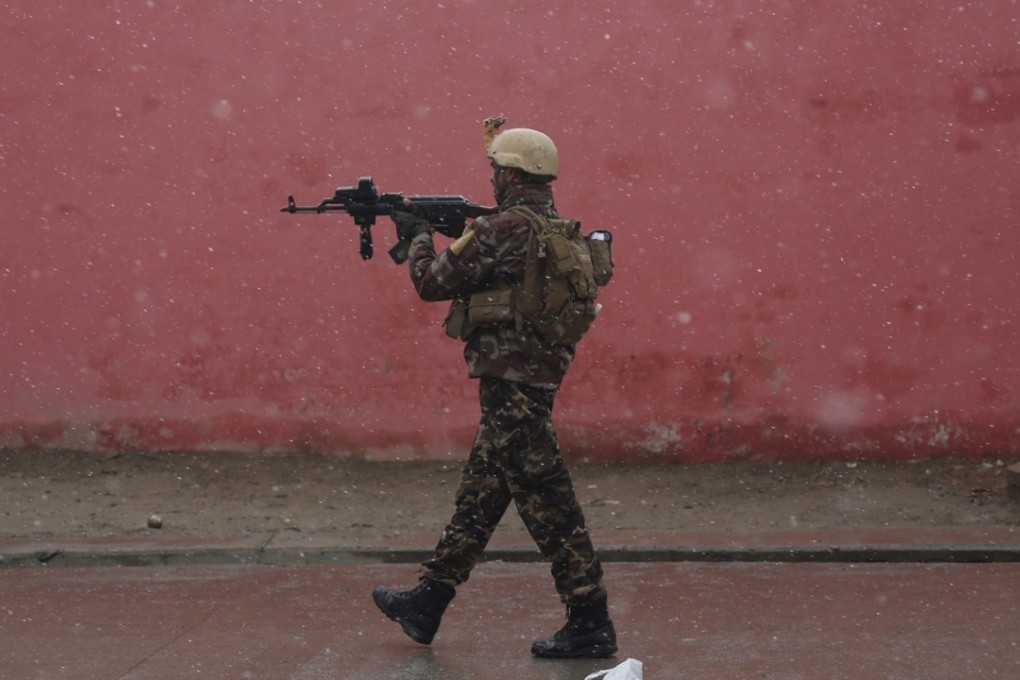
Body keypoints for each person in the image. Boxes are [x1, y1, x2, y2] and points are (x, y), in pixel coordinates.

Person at [370, 122, 618, 659]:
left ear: (509, 173)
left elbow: (431, 282)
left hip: (509, 381)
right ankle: (429, 601)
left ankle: (590, 618)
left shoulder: (500, 229)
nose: (491, 179)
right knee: (481, 496)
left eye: (494, 170)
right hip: (537, 376)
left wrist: (416, 232)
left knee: (548, 499)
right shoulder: (557, 226)